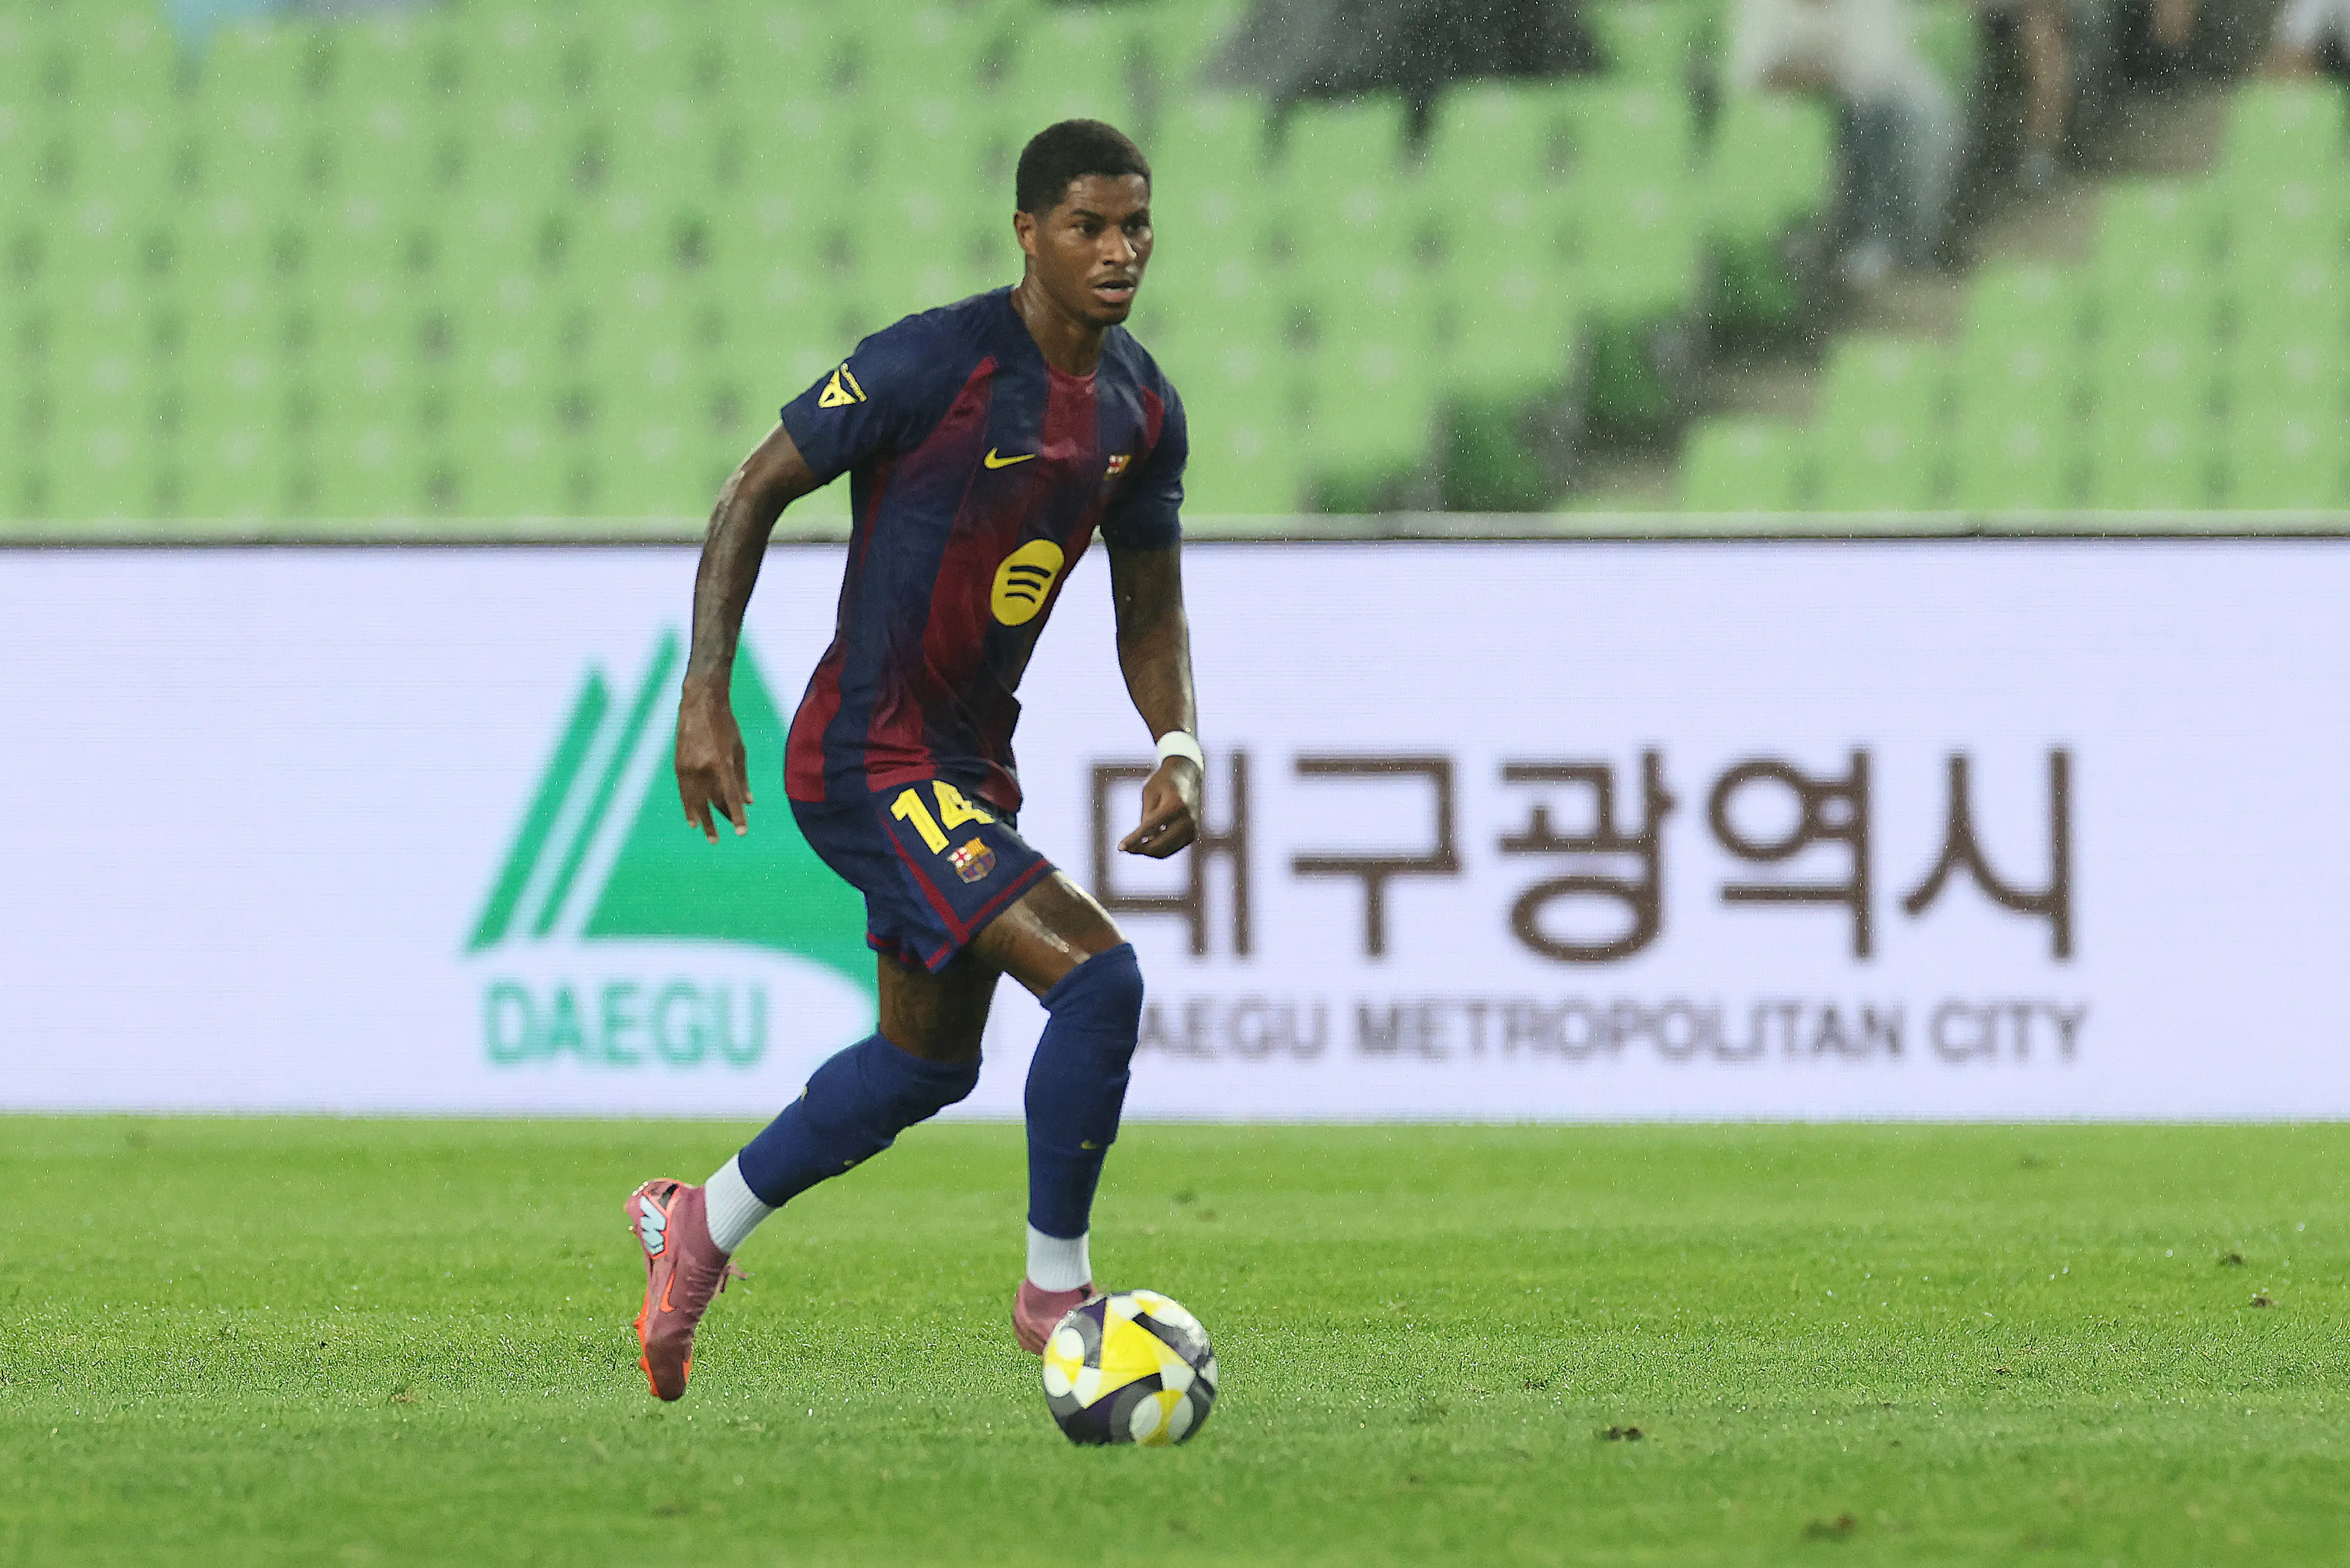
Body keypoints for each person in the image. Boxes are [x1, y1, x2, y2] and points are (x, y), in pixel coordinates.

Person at [624, 119, 1201, 1402]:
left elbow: (1148, 605)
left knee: (925, 1066)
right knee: (1100, 984)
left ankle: (694, 1226)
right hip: (866, 755)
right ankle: (1057, 1291)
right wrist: (704, 691)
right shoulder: (931, 361)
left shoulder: (1138, 407)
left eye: (1136, 226)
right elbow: (753, 489)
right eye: (1089, 228)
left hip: (962, 770)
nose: (1119, 253)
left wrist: (1176, 744)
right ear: (1029, 235)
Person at [1729, 0, 1960, 281]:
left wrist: (1803, 70)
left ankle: (1883, 241)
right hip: (1795, 110)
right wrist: (1817, 74)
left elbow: (1873, 72)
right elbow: (1746, 71)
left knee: (1884, 116)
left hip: (1870, 110)